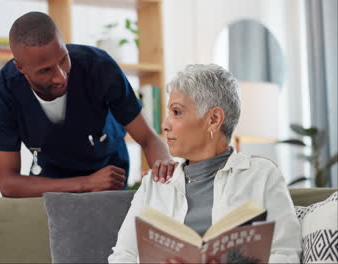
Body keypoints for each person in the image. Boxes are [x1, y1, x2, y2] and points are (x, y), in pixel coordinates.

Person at [108, 64, 301, 263]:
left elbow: (285, 252)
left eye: (176, 112)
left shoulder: (262, 175)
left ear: (214, 119)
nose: (165, 125)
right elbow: (123, 255)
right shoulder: (154, 184)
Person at [0, 12, 175, 198]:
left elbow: (148, 139)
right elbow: (8, 184)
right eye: (45, 70)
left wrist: (165, 173)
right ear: (20, 68)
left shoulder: (99, 66)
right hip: (51, 177)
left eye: (63, 59)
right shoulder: (3, 92)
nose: (61, 77)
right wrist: (86, 183)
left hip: (108, 173)